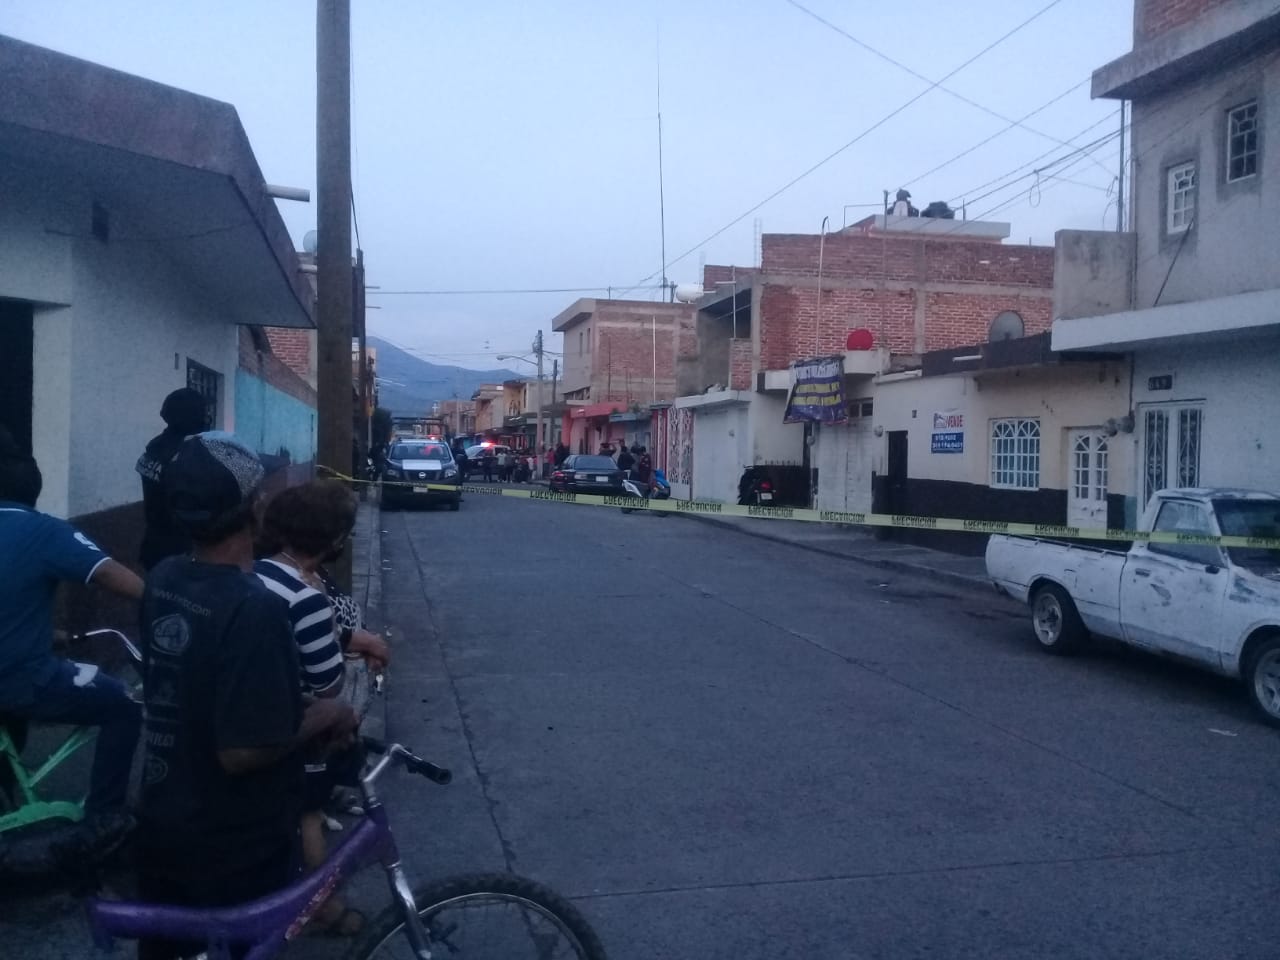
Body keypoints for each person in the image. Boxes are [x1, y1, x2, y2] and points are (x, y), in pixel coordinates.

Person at [136, 433, 357, 960]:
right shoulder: (252, 608)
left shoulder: (165, 579)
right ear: (253, 507)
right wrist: (330, 711)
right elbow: (243, 750)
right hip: (232, 836)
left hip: (162, 812)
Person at [0, 428, 143, 838]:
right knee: (124, 707)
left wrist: (48, 633)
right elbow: (118, 579)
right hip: (18, 678)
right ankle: (105, 818)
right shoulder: (43, 531)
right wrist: (170, 602)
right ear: (32, 488)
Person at [256, 481, 385, 937]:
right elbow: (328, 683)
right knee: (308, 814)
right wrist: (335, 629)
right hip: (290, 723)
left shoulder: (261, 572)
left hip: (254, 709)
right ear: (332, 541)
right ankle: (322, 907)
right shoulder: (307, 597)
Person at [136, 388, 210, 570]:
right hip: (182, 551)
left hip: (154, 544)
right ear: (192, 417)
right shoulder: (187, 453)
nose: (206, 418)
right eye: (203, 412)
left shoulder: (155, 446)